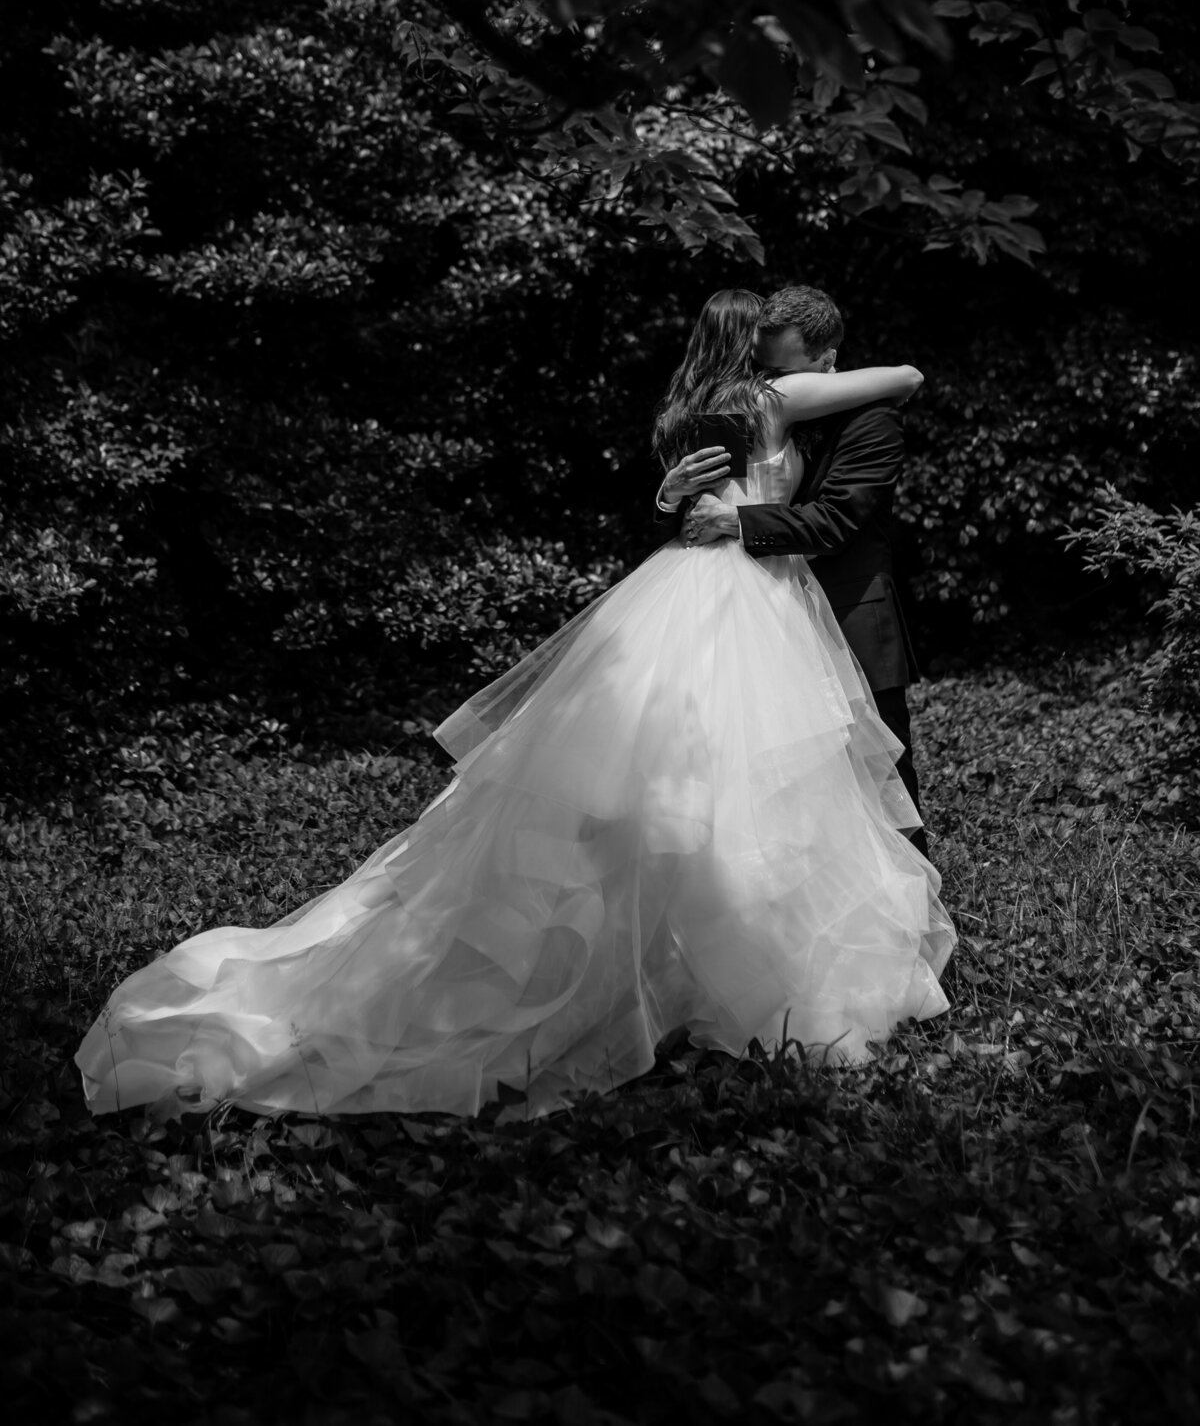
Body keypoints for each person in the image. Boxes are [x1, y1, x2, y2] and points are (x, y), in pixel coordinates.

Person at [77, 290, 955, 1123]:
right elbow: (909, 376)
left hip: (690, 587)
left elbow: (692, 494)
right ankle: (742, 968)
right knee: (749, 785)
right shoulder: (771, 399)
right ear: (753, 346)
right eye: (766, 347)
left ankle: (674, 961)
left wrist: (672, 495)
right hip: (747, 597)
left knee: (667, 782)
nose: (774, 361)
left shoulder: (688, 410)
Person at [656, 285, 929, 857]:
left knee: (879, 774)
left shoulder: (866, 415)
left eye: (779, 368)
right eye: (764, 364)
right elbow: (705, 505)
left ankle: (907, 895)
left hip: (843, 605)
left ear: (824, 360)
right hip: (764, 599)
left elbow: (835, 521)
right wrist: (670, 495)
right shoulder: (755, 402)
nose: (769, 377)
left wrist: (732, 517)